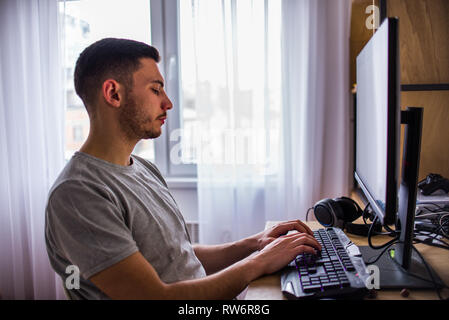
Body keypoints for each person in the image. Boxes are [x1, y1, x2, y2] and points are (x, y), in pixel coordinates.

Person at [45, 38, 321, 300]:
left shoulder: (143, 169)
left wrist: (254, 244)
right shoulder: (78, 194)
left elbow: (179, 257)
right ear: (114, 93)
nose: (168, 103)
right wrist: (260, 262)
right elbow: (155, 297)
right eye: (155, 89)